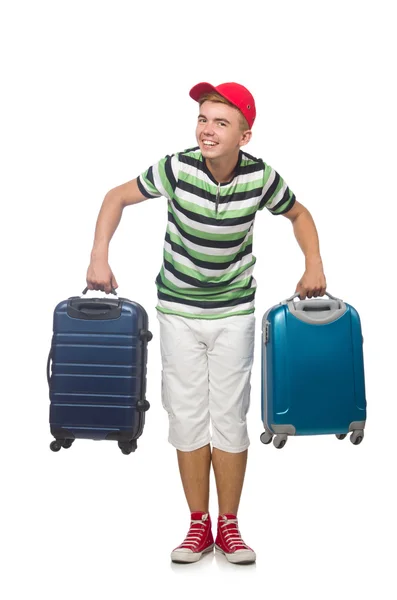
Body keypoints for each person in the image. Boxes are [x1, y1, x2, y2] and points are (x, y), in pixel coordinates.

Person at [86, 81, 327, 565]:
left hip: (234, 310)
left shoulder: (260, 178)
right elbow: (115, 197)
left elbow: (298, 214)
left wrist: (314, 263)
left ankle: (230, 527)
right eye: (202, 118)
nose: (208, 129)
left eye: (221, 122)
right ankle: (198, 526)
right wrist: (98, 255)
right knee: (188, 415)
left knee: (230, 419)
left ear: (245, 135)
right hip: (177, 310)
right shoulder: (176, 168)